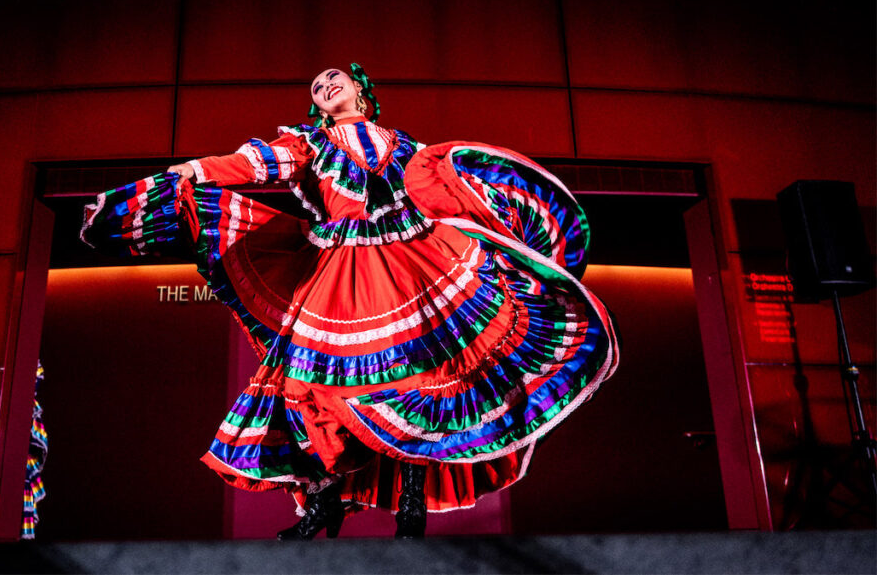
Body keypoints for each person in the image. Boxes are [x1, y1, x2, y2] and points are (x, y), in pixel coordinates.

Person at [82, 63, 619, 540]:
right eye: (317, 86)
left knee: (418, 377)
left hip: (415, 259)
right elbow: (257, 164)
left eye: (335, 78)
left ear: (360, 91)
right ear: (315, 105)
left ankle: (411, 504)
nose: (325, 85)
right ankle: (324, 502)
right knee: (308, 386)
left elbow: (444, 186)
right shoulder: (309, 144)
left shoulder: (403, 144)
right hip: (340, 265)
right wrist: (197, 170)